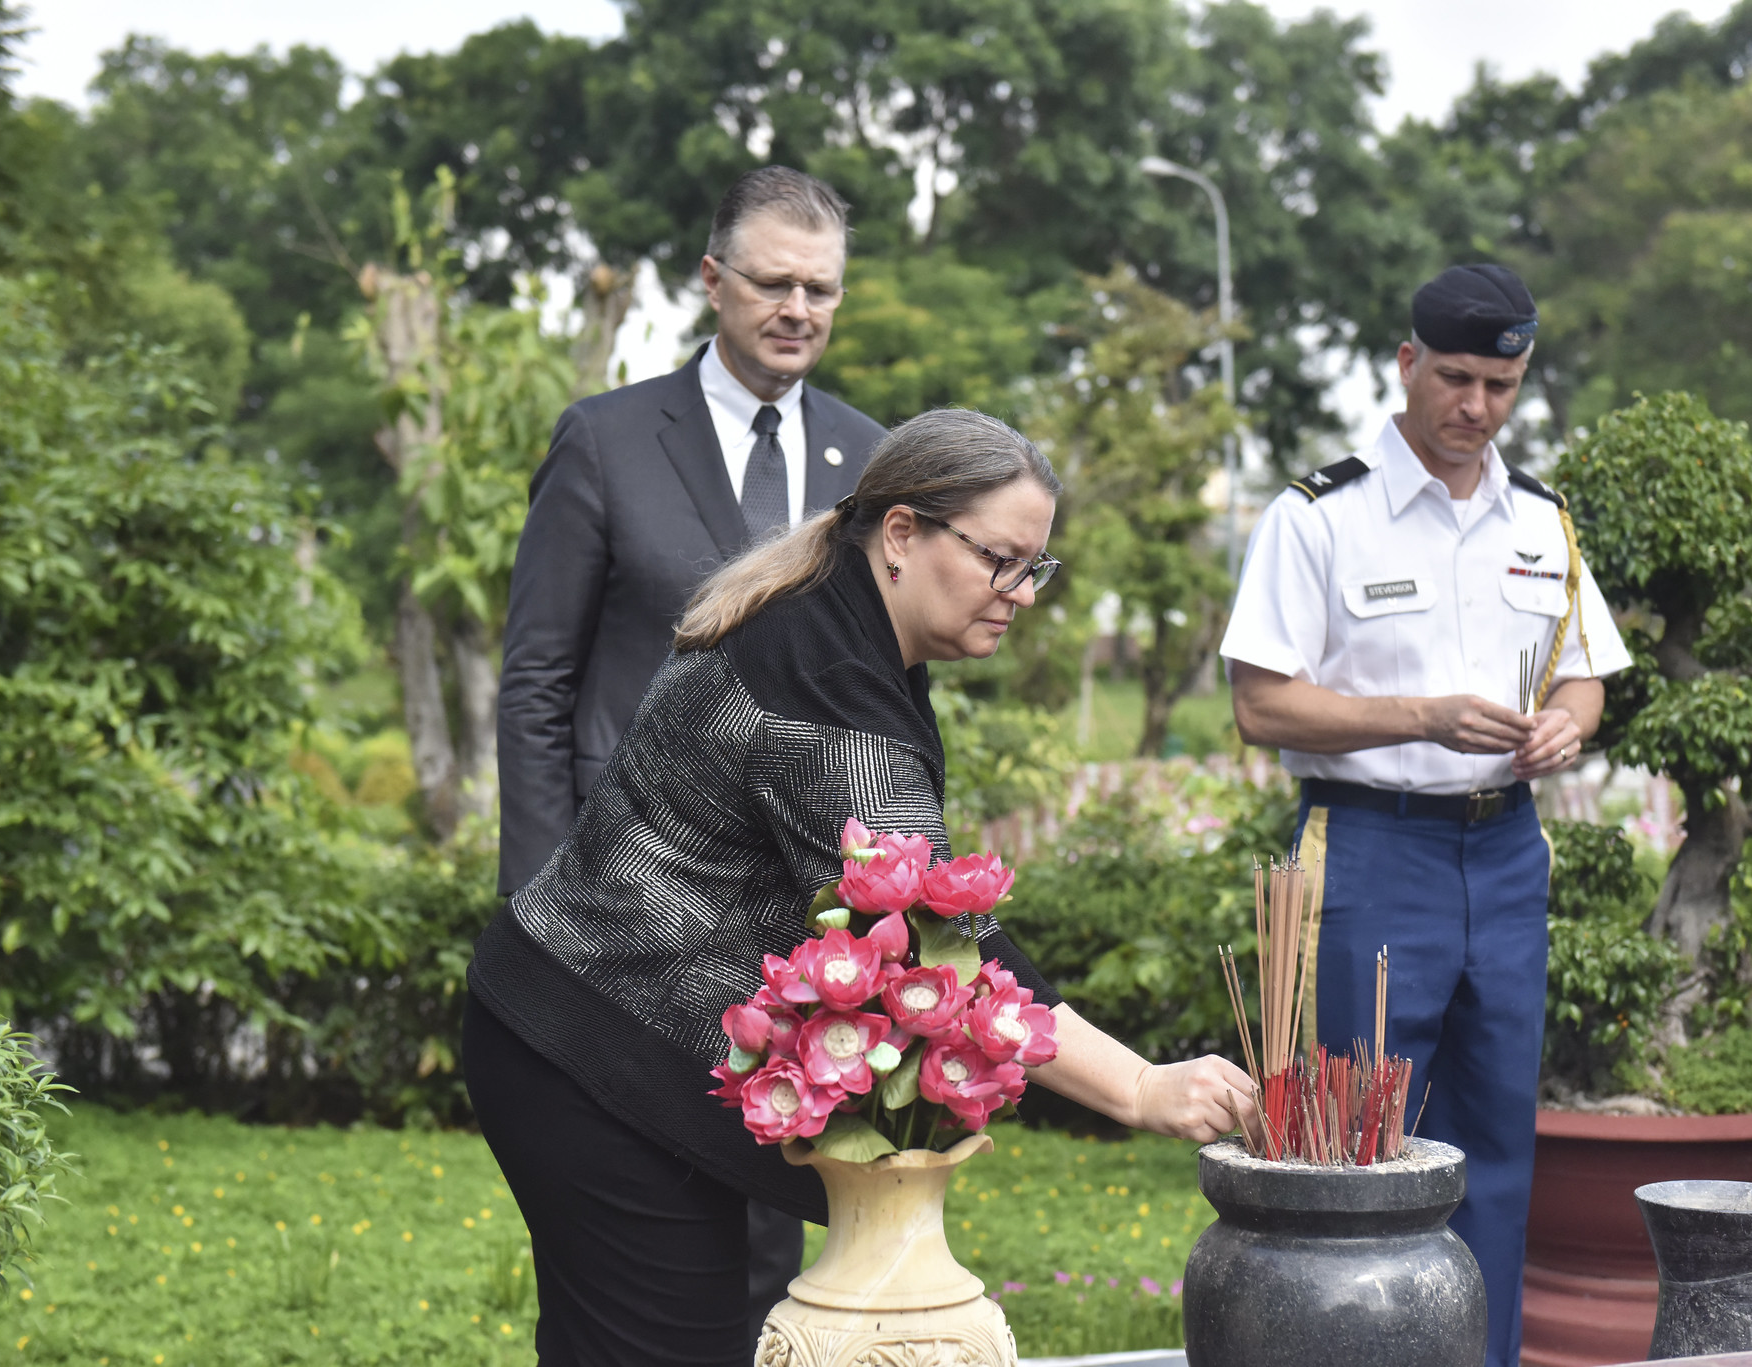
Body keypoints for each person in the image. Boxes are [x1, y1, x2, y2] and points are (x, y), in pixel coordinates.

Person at [468, 409, 1262, 1366]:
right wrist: (1138, 1086)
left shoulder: (839, 623)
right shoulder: (826, 673)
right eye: (999, 559)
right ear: (900, 534)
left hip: (583, 1038)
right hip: (587, 1054)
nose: (1022, 593)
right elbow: (941, 937)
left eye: (1036, 567)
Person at [1220, 264, 1634, 1367]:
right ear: (1404, 363)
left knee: (1497, 1145)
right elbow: (1259, 703)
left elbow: (1582, 670)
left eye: (1500, 384)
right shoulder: (1318, 516)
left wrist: (1566, 723)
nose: (1475, 406)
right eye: (1453, 377)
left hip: (1503, 852)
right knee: (1351, 1137)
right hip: (1365, 847)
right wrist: (1419, 715)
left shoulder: (1542, 518)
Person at [496, 166, 884, 1323]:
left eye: (820, 288)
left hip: (788, 930)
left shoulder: (875, 467)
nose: (796, 309)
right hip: (611, 921)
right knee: (611, 1242)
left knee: (770, 1238)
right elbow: (536, 684)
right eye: (771, 282)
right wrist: (536, 907)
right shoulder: (606, 441)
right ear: (712, 281)